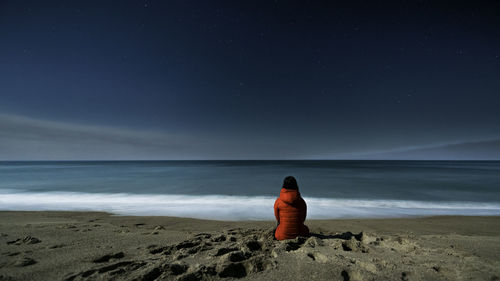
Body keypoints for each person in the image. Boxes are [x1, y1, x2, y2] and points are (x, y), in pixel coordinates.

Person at [274, 176, 310, 240]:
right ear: (296, 185)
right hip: (299, 234)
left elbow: (278, 219)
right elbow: (303, 219)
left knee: (278, 228)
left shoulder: (278, 201)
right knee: (306, 229)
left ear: (284, 185)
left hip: (282, 236)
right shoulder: (302, 201)